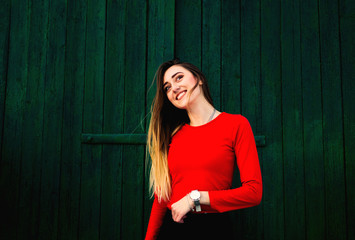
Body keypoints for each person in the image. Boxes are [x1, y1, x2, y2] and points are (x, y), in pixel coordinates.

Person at [145, 59, 262, 240]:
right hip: (173, 228)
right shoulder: (173, 136)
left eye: (179, 78)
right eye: (167, 87)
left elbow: (253, 193)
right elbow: (162, 198)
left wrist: (195, 198)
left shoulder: (236, 125)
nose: (173, 88)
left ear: (199, 78)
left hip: (214, 228)